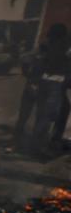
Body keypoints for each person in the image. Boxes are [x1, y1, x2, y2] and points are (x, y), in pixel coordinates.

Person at [29, 24, 71, 156]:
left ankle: (42, 142)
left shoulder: (47, 45)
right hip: (56, 83)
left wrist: (34, 81)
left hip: (45, 82)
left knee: (44, 114)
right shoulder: (64, 45)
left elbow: (36, 62)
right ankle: (39, 146)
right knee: (49, 115)